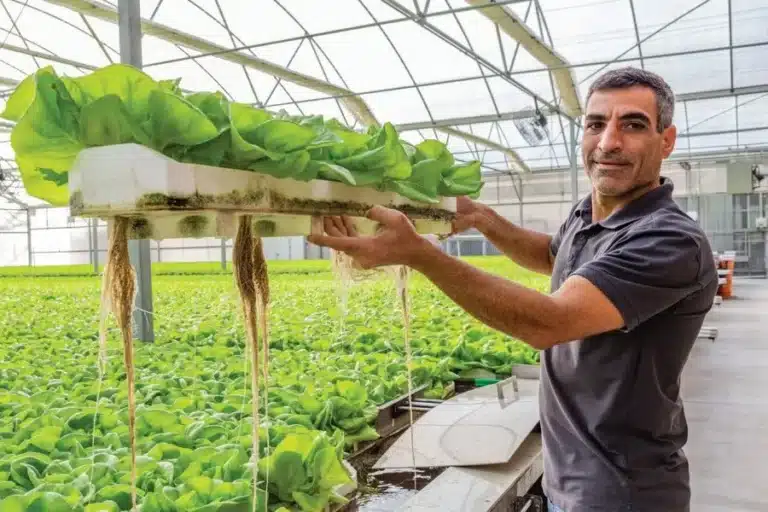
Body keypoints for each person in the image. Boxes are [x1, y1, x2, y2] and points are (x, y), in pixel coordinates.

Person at [308, 67, 718, 512]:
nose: (608, 142)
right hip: (570, 477)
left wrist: (419, 254)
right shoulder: (589, 214)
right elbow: (550, 255)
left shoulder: (670, 240)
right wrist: (483, 217)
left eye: (633, 124)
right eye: (596, 124)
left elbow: (550, 322)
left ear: (667, 140)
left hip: (621, 492)